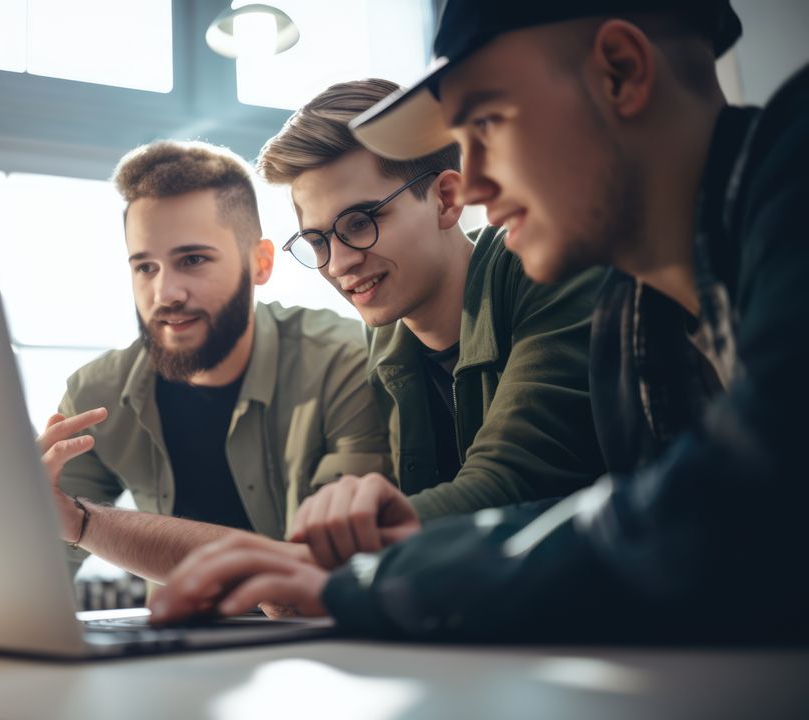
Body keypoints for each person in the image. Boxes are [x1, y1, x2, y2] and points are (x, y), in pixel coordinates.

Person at [150, 0, 809, 642]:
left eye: (488, 124)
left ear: (622, 72)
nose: (475, 187)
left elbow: (730, 498)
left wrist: (358, 579)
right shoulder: (633, 316)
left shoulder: (793, 161)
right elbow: (638, 519)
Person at [255, 79, 606, 569]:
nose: (337, 264)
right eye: (317, 241)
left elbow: (511, 484)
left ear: (446, 199)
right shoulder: (383, 338)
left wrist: (312, 561)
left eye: (360, 222)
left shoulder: (540, 269)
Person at [41, 140, 391, 584]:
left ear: (260, 263)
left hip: (317, 644)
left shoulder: (343, 363)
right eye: (145, 267)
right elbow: (33, 577)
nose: (166, 293)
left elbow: (325, 567)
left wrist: (84, 524)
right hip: (171, 643)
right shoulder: (97, 395)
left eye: (193, 260)